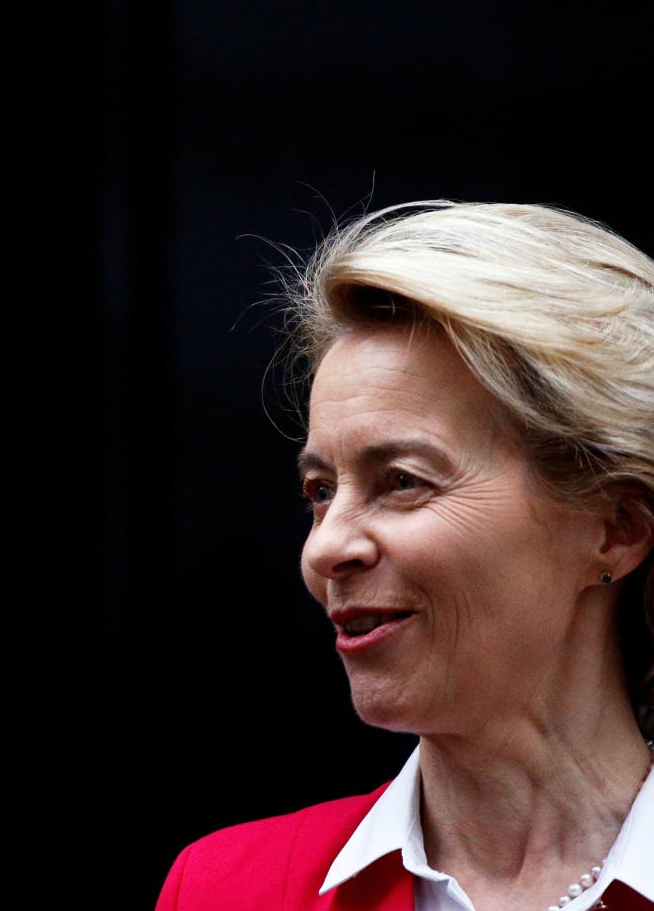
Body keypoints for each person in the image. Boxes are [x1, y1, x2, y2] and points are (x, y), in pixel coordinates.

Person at [156, 202, 654, 911]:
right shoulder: (230, 889)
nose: (326, 547)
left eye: (402, 482)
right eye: (320, 490)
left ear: (615, 529)